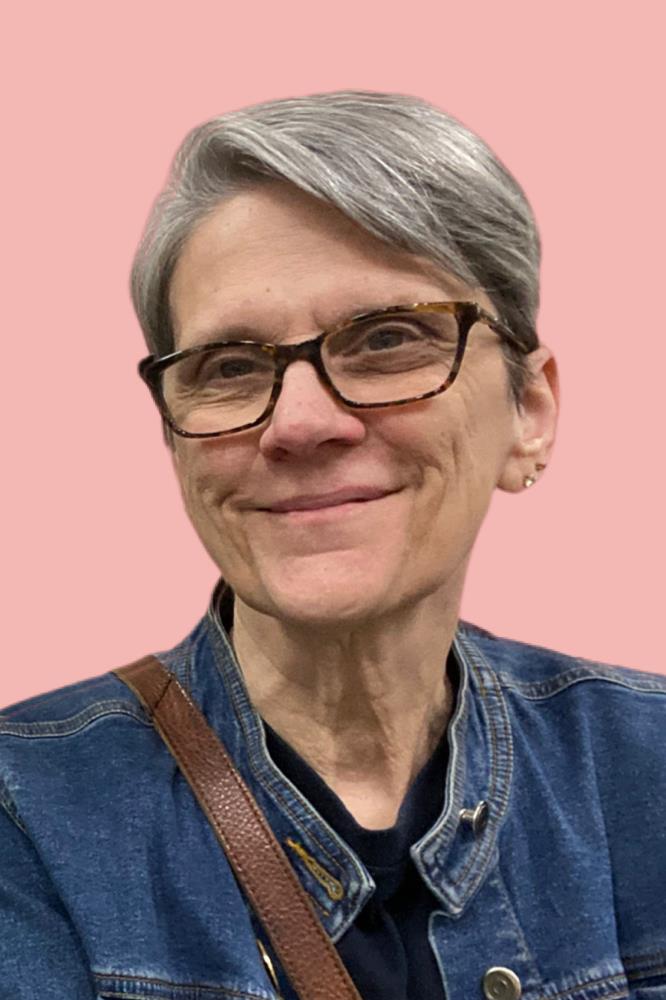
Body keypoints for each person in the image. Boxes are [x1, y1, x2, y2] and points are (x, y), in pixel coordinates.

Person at [1, 91, 664, 1000]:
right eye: (231, 367)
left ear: (530, 412)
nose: (301, 424)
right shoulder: (25, 816)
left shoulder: (649, 765)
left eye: (388, 339)